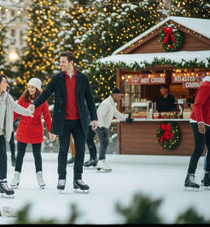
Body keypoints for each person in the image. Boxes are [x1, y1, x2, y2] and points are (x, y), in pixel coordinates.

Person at [29, 51, 98, 193]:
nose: (61, 64)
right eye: (60, 62)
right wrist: (34, 104)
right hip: (63, 121)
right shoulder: (57, 79)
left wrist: (94, 117)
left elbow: (90, 99)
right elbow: (46, 93)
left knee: (80, 150)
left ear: (71, 62)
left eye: (63, 62)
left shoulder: (83, 78)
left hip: (79, 121)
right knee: (63, 150)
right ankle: (62, 178)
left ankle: (78, 179)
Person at [184, 66, 210, 190]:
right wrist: (200, 122)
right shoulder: (206, 87)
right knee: (199, 148)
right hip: (198, 121)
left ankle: (208, 177)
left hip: (208, 122)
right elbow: (197, 105)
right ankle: (189, 177)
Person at [10, 77, 53, 189]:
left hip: (36, 130)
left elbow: (47, 117)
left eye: (32, 87)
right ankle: (16, 176)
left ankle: (39, 176)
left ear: (37, 89)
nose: (30, 89)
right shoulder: (23, 99)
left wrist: (51, 131)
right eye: (29, 86)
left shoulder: (42, 101)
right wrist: (8, 124)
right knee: (20, 155)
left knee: (37, 155)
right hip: (23, 129)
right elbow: (15, 113)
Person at [87, 88, 131, 172]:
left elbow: (116, 114)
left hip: (101, 125)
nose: (120, 98)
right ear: (114, 95)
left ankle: (100, 162)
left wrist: (126, 118)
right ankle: (100, 162)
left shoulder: (111, 104)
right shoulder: (107, 103)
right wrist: (102, 128)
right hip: (99, 125)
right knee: (104, 141)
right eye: (119, 96)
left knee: (104, 142)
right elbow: (100, 116)